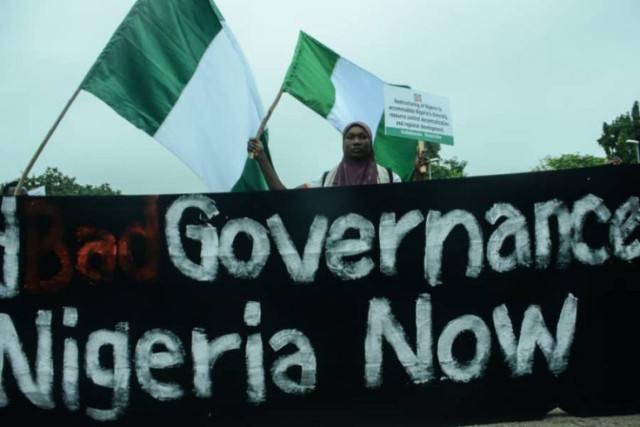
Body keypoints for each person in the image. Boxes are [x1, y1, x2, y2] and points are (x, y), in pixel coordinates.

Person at [248, 121, 430, 190]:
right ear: (343, 144)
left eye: (362, 137)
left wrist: (420, 174)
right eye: (350, 138)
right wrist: (262, 159)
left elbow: (411, 208)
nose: (357, 142)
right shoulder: (325, 181)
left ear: (370, 142)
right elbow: (284, 199)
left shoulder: (390, 178)